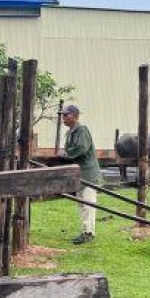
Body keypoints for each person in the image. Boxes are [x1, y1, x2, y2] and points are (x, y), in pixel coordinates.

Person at [57, 104, 101, 244]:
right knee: (81, 205)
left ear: (75, 116)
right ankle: (85, 231)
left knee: (88, 204)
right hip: (79, 174)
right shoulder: (70, 132)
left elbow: (81, 149)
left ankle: (88, 232)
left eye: (66, 115)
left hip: (88, 174)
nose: (63, 118)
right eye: (63, 115)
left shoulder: (82, 130)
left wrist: (65, 155)